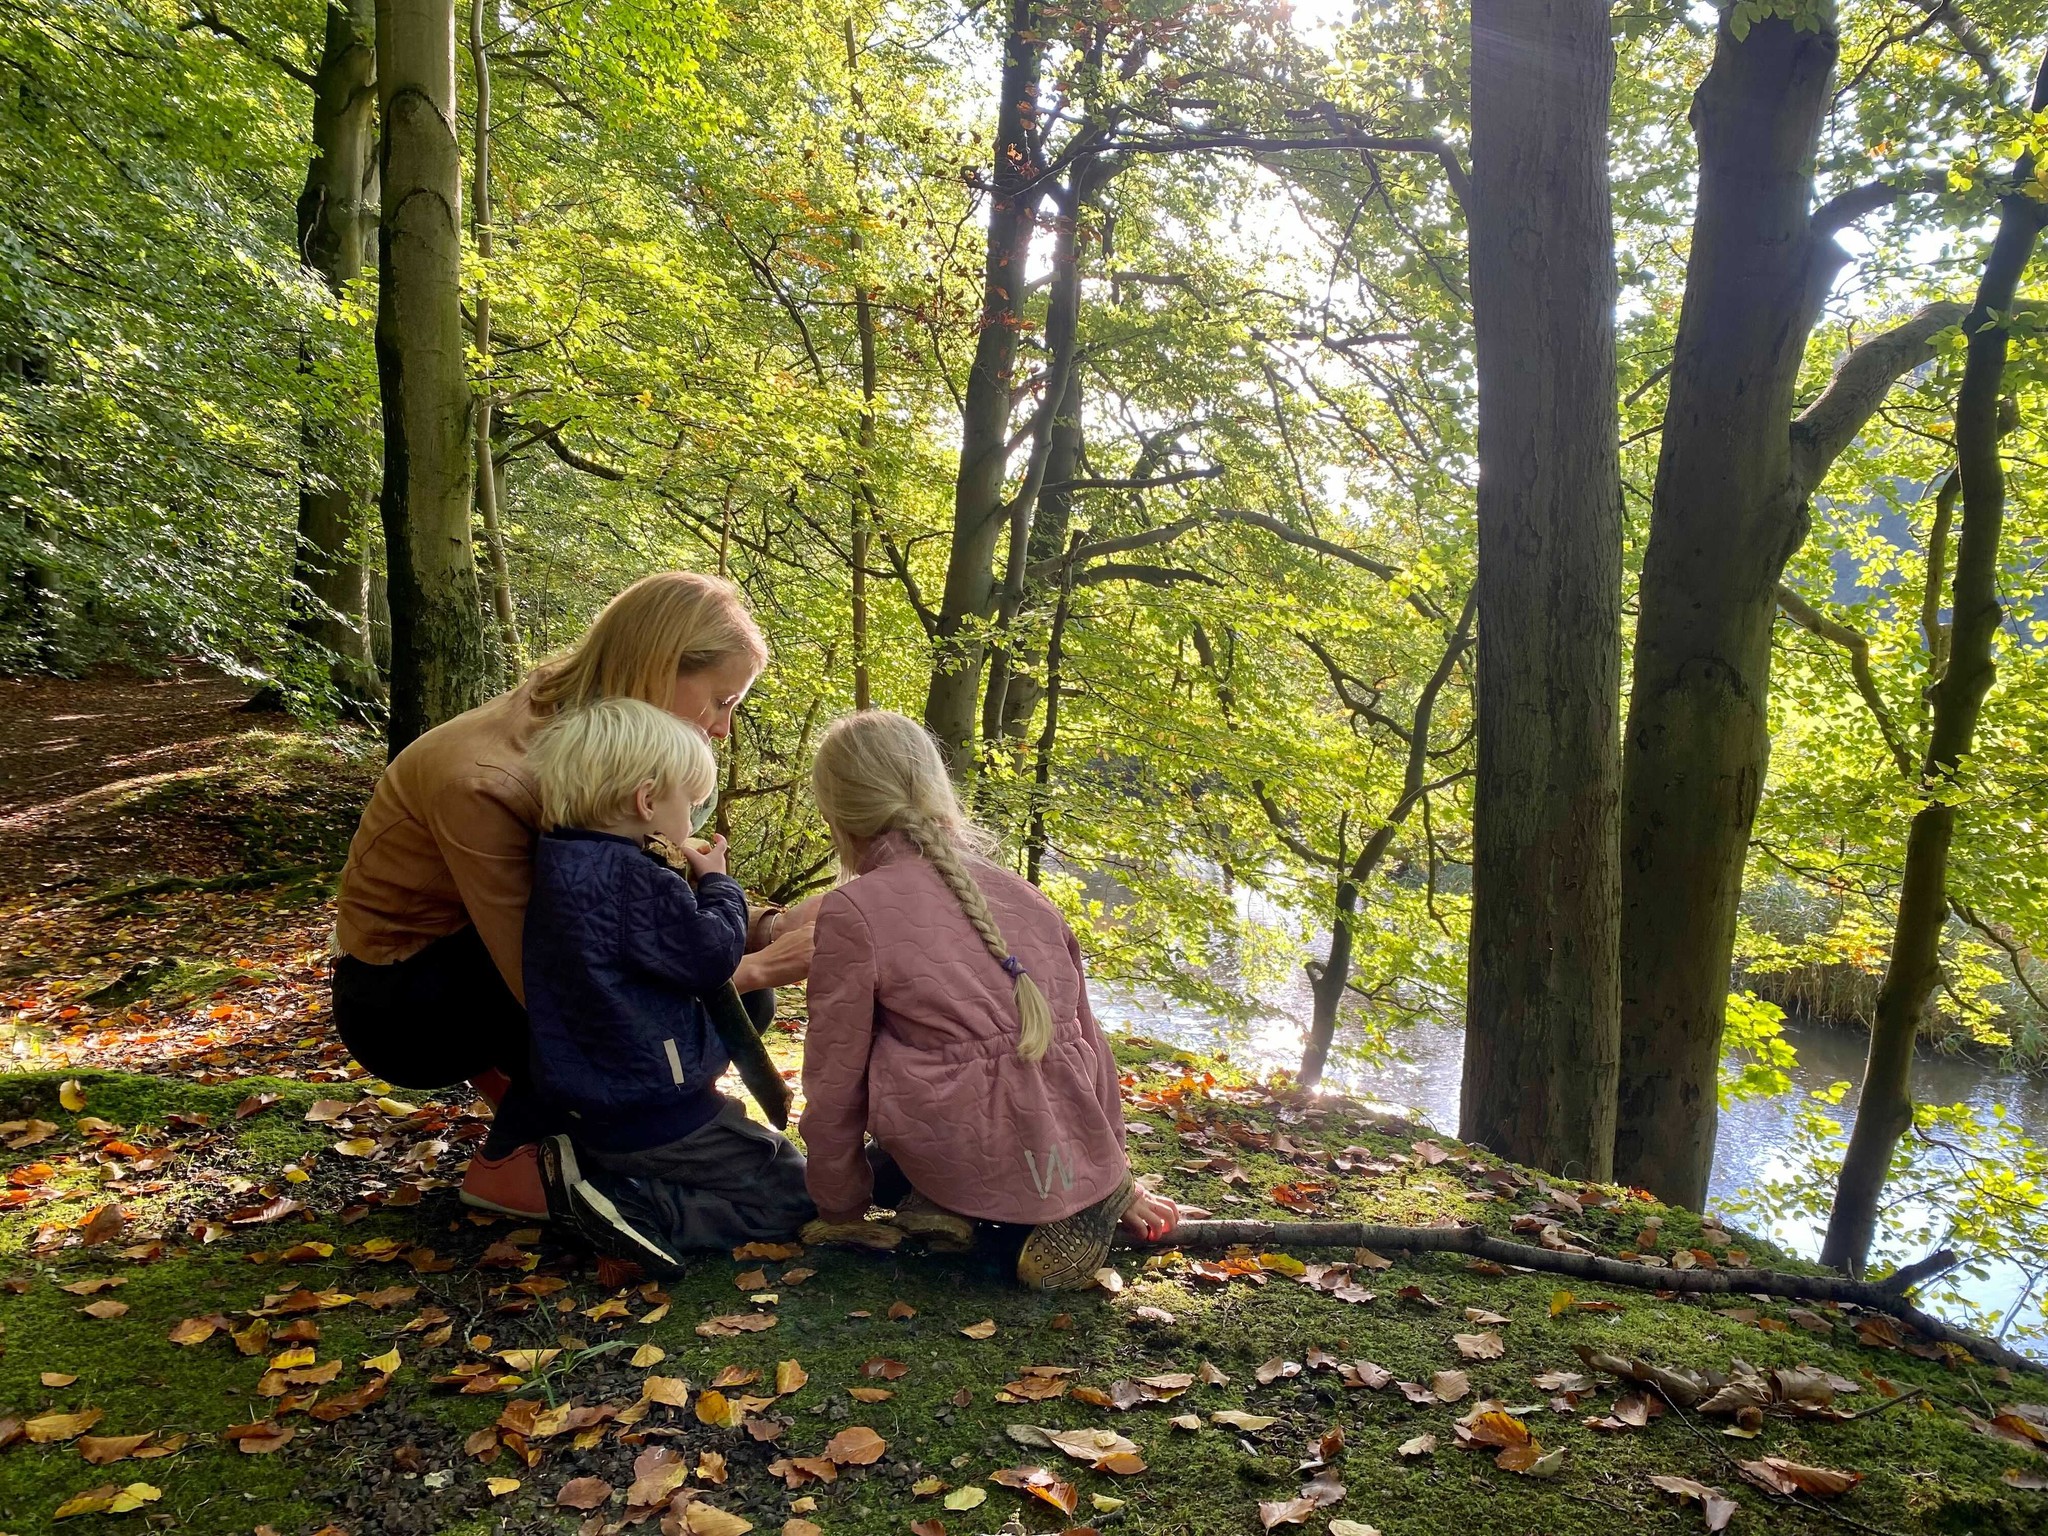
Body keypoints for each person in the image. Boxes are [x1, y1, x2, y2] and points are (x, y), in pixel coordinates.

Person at [330, 572, 819, 1220]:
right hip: (410, 1003)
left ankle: (577, 1124)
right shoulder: (489, 777)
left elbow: (634, 903)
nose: (724, 729)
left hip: (499, 959)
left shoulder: (603, 737)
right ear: (659, 665)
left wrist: (770, 926)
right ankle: (518, 1157)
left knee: (729, 994)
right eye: (722, 700)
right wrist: (748, 966)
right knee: (725, 995)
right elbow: (561, 980)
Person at [799, 709, 1178, 1290]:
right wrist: (1112, 1168)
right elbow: (1090, 1043)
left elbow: (834, 1077)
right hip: (1058, 1141)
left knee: (898, 1047)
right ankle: (1052, 1201)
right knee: (996, 1046)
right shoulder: (1028, 895)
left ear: (837, 815)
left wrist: (839, 1203)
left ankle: (945, 1197)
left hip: (956, 1142)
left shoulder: (853, 910)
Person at [519, 698, 813, 1270]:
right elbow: (711, 958)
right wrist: (719, 885)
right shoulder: (637, 880)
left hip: (596, 1099)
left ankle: (609, 1178)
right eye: (691, 804)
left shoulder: (557, 863)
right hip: (660, 1108)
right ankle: (638, 1207)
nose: (693, 819)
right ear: (647, 801)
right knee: (797, 1194)